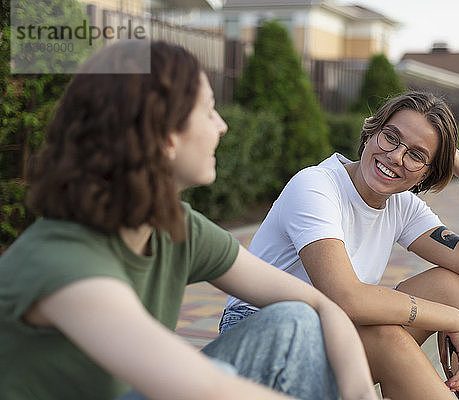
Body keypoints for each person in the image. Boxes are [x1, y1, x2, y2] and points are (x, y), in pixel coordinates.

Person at [0, 40, 379, 400]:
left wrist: (361, 394)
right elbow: (206, 389)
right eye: (209, 111)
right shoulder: (65, 262)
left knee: (292, 322)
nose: (222, 125)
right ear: (165, 135)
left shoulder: (173, 226)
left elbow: (320, 304)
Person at [224, 92, 459, 399]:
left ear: (426, 175)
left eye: (416, 156)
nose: (396, 157)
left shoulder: (401, 206)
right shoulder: (316, 186)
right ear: (371, 132)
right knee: (389, 338)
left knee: (451, 287)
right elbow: (347, 298)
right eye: (391, 138)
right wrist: (452, 319)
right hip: (262, 339)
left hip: (329, 331)